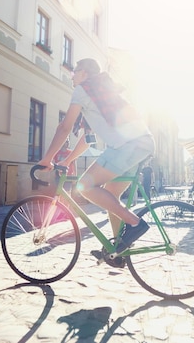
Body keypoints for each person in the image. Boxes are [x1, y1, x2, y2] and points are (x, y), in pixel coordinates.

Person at [38, 58, 155, 254]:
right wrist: (67, 160)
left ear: (84, 73)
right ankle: (118, 251)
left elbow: (65, 127)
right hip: (141, 143)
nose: (72, 75)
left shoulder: (83, 90)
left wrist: (47, 158)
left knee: (84, 186)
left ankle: (135, 223)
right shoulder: (99, 92)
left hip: (126, 145)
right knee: (111, 195)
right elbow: (88, 139)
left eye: (75, 71)